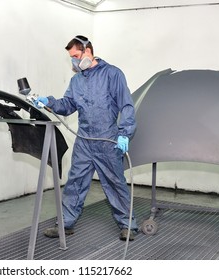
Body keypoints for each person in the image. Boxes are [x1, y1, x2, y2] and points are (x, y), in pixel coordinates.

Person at [34, 35, 138, 241]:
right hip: (84, 141)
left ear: (88, 51)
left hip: (107, 141)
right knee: (75, 183)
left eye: (75, 56)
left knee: (115, 183)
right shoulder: (77, 80)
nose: (73, 61)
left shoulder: (112, 74)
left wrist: (125, 133)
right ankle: (66, 224)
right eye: (71, 58)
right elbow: (68, 105)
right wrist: (49, 102)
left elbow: (126, 105)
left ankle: (128, 225)